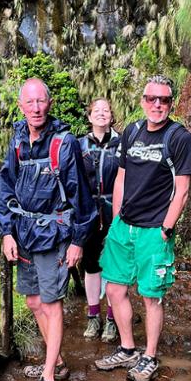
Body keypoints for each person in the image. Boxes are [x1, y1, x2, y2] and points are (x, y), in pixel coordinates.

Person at [0, 78, 96, 381]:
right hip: (24, 235)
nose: (36, 108)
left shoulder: (64, 143)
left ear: (49, 104)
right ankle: (59, 363)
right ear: (21, 105)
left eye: (41, 101)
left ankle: (49, 379)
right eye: (30, 102)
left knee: (52, 305)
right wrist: (7, 231)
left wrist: (78, 241)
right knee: (34, 302)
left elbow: (82, 196)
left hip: (54, 235)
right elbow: (6, 188)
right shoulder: (17, 142)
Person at [95, 75, 191, 381]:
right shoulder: (133, 132)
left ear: (171, 103)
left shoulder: (179, 137)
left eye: (163, 100)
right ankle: (127, 349)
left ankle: (149, 355)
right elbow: (121, 177)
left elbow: (182, 190)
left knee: (151, 296)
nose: (157, 105)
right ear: (142, 101)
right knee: (114, 288)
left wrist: (167, 227)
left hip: (154, 229)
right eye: (151, 98)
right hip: (124, 225)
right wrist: (115, 219)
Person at [78, 98, 121, 343]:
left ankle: (113, 320)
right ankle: (93, 317)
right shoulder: (80, 145)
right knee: (92, 265)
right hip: (89, 213)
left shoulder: (122, 143)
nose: (101, 114)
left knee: (115, 267)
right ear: (90, 116)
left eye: (106, 110)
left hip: (114, 210)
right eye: (97, 111)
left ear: (111, 116)